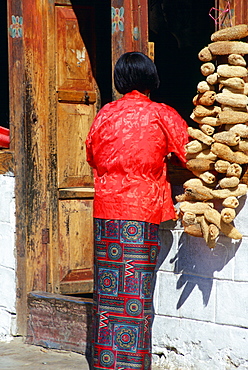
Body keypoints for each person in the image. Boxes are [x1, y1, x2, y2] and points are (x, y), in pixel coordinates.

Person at [86, 51, 188, 370]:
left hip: (106, 212)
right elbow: (190, 153)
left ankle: (105, 363)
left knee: (108, 294)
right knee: (134, 296)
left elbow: (91, 154)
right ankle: (131, 365)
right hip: (140, 212)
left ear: (119, 82)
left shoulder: (104, 114)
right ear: (151, 80)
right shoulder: (161, 114)